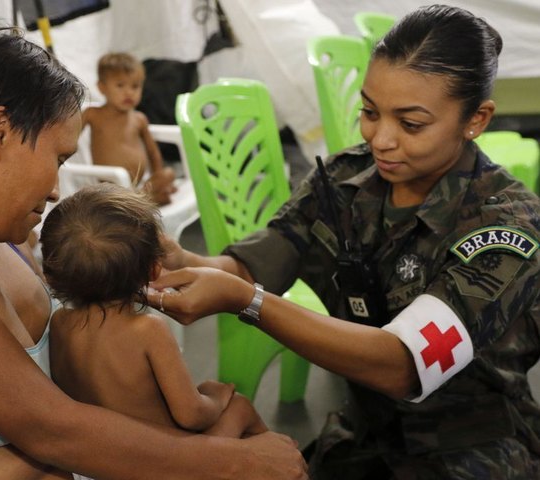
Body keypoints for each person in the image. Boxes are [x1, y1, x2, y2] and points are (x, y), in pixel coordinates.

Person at [0, 25, 306, 480]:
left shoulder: (2, 237)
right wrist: (232, 462)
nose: (56, 189)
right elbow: (51, 428)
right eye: (57, 158)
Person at [148, 5, 540, 479]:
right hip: (367, 432)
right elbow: (258, 263)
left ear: (475, 119)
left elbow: (404, 364)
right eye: (370, 112)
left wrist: (247, 302)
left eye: (411, 124)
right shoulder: (343, 180)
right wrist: (181, 259)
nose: (381, 139)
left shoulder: (504, 228)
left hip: (470, 448)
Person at [41, 183, 267, 443]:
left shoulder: (59, 323)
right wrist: (218, 397)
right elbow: (191, 415)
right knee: (239, 408)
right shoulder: (148, 330)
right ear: (154, 269)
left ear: (52, 276)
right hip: (163, 463)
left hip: (100, 460)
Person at [82, 52, 177, 206]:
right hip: (110, 185)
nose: (129, 92)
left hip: (139, 185)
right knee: (121, 195)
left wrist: (158, 175)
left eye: (135, 86)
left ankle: (142, 197)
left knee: (168, 173)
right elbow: (69, 133)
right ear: (102, 87)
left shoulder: (139, 119)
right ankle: (147, 198)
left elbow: (152, 151)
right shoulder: (93, 114)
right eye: (120, 85)